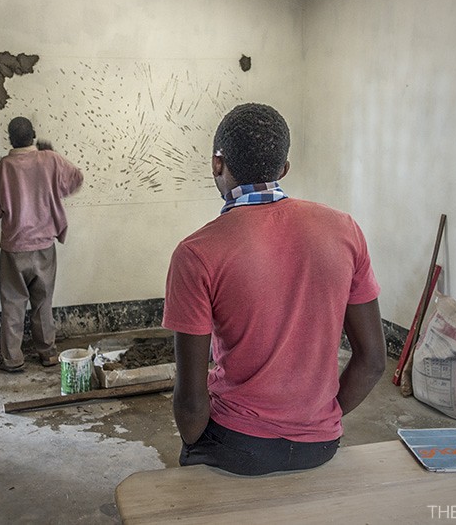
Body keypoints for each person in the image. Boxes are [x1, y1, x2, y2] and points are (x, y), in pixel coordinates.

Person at [162, 103, 386, 475]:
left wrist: (195, 443)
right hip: (321, 445)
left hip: (235, 444)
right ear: (283, 169)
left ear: (217, 163)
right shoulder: (344, 229)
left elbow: (191, 401)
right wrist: (318, 421)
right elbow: (374, 361)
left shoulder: (196, 252)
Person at [0, 117, 83, 372]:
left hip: (14, 247)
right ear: (33, 135)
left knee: (13, 303)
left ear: (10, 139)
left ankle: (12, 359)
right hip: (44, 245)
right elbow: (76, 179)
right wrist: (52, 153)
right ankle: (48, 353)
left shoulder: (4, 166)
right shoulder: (50, 159)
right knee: (43, 302)